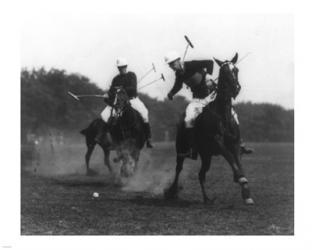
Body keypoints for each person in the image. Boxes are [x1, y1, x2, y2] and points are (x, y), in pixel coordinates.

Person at [164, 51, 253, 159]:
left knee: (233, 115)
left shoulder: (191, 64)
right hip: (198, 100)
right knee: (188, 119)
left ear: (178, 61)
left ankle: (240, 144)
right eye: (170, 65)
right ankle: (192, 149)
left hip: (212, 95)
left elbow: (209, 63)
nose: (171, 67)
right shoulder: (179, 74)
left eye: (172, 64)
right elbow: (178, 85)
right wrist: (171, 93)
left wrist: (209, 78)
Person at [98, 57, 153, 148]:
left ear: (126, 66)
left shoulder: (131, 75)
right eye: (119, 67)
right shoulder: (116, 79)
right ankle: (110, 140)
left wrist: (121, 88)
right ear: (118, 68)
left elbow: (133, 88)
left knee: (144, 114)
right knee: (104, 114)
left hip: (132, 100)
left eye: (123, 67)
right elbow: (111, 90)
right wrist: (107, 94)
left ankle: (148, 139)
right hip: (119, 102)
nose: (121, 69)